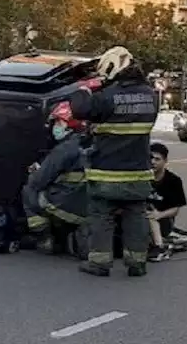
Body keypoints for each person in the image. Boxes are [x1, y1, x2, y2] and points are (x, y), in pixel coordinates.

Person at [69, 46, 159, 277]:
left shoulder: (107, 97)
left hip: (107, 172)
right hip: (139, 173)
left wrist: (85, 88)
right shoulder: (151, 96)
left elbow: (79, 110)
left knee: (102, 216)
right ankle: (136, 263)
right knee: (135, 216)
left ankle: (100, 263)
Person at [22, 102, 89, 256]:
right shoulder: (92, 143)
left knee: (28, 190)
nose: (55, 127)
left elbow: (38, 181)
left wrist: (35, 172)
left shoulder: (64, 149)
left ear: (69, 125)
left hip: (67, 204)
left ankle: (43, 237)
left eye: (58, 122)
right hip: (92, 207)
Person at [147, 142, 187, 262]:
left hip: (163, 221)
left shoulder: (174, 181)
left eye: (157, 159)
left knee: (151, 216)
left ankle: (160, 247)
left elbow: (175, 209)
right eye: (150, 158)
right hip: (140, 216)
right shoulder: (142, 178)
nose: (153, 162)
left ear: (165, 161)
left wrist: (158, 215)